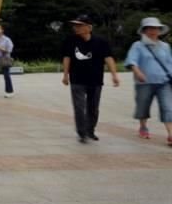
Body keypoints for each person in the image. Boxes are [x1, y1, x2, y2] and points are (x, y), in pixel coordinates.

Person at [62, 14, 120, 143]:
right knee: (79, 107)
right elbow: (67, 57)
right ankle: (82, 133)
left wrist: (114, 75)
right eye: (75, 25)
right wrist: (65, 74)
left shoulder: (101, 42)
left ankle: (90, 130)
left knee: (93, 107)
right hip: (77, 79)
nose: (76, 28)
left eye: (79, 25)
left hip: (95, 79)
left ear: (89, 27)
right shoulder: (70, 40)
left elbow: (108, 58)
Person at [124, 17, 172, 145]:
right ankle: (143, 126)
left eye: (156, 28)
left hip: (164, 82)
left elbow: (169, 63)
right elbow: (132, 60)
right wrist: (137, 71)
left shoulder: (165, 46)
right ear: (144, 31)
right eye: (150, 28)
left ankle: (170, 134)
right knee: (143, 106)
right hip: (144, 82)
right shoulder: (138, 45)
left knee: (168, 107)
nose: (153, 31)